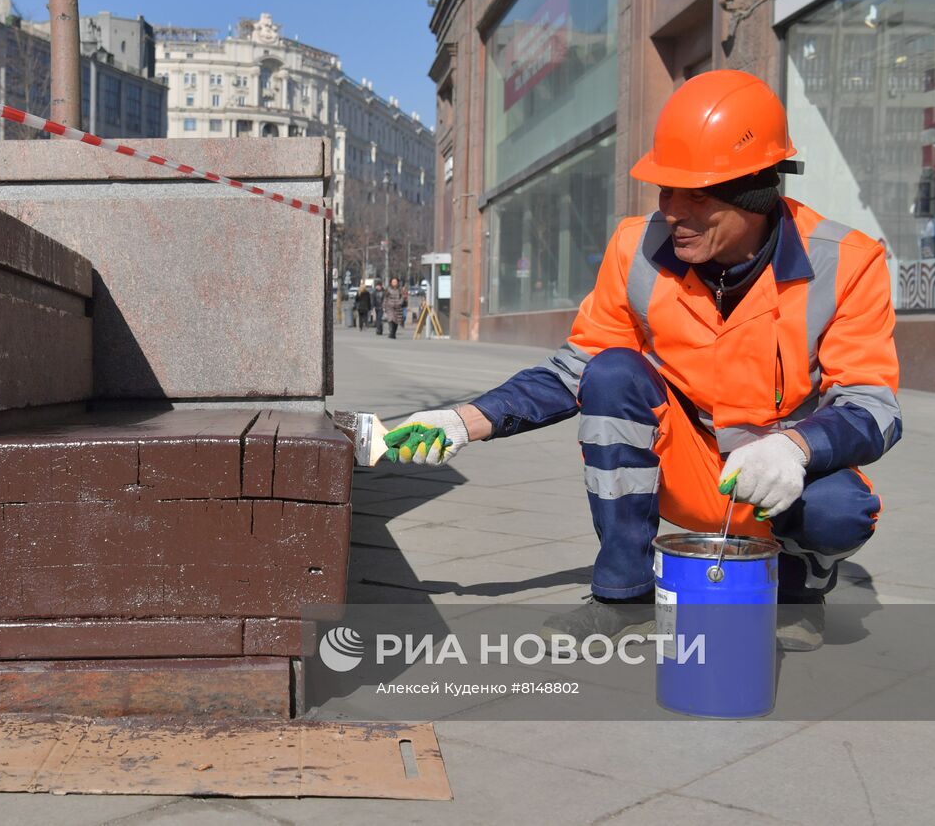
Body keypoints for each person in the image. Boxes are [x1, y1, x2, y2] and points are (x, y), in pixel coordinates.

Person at [382, 70, 900, 652]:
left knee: (842, 509)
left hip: (778, 479)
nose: (672, 212)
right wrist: (463, 420)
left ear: (755, 192)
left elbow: (872, 406)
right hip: (681, 466)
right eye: (665, 190)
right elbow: (575, 370)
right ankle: (623, 595)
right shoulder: (636, 250)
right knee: (613, 375)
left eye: (695, 195)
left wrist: (795, 449)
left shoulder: (846, 263)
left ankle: (799, 586)